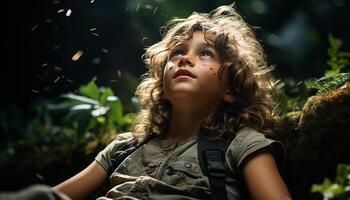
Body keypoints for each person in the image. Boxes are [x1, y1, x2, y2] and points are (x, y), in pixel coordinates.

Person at [1, 4, 291, 200]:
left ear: (231, 89)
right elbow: (59, 196)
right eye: (177, 52)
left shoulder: (241, 143)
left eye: (205, 54)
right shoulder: (125, 147)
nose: (185, 58)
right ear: (161, 82)